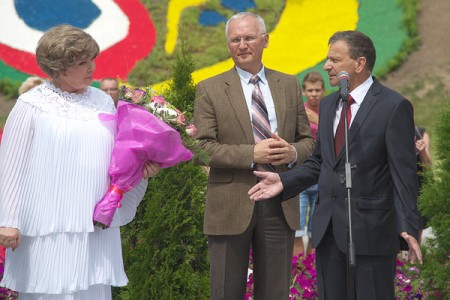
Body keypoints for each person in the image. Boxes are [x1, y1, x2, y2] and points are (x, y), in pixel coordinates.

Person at [249, 30, 423, 300]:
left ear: (359, 64)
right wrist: (285, 181)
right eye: (327, 59)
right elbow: (321, 162)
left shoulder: (394, 106)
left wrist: (409, 225)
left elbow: (404, 174)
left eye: (334, 59)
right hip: (328, 231)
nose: (326, 66)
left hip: (372, 232)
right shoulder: (330, 104)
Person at [0, 24, 160, 299]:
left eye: (92, 59)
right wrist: (8, 221)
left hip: (94, 226)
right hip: (47, 226)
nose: (92, 67)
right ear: (59, 68)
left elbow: (118, 157)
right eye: (82, 62)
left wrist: (141, 171)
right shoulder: (30, 105)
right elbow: (10, 167)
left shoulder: (103, 101)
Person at [193, 12, 315, 300]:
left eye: (249, 38)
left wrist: (293, 151)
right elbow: (200, 147)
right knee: (225, 291)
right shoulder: (209, 89)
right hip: (230, 203)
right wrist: (252, 153)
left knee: (275, 292)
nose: (242, 45)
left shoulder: (288, 85)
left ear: (265, 40)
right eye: (235, 39)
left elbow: (308, 141)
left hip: (279, 201)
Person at [294, 71, 325, 257]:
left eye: (318, 90)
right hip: (301, 175)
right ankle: (297, 274)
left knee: (316, 229)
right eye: (310, 90)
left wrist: (318, 121)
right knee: (297, 228)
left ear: (323, 91)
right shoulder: (300, 112)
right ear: (304, 91)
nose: (314, 94)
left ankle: (312, 276)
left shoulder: (330, 110)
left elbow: (339, 138)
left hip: (322, 176)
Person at [414, 126, 432, 244]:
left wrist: (422, 151)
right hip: (394, 184)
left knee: (417, 226)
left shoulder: (420, 133)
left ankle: (414, 261)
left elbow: (428, 167)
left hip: (416, 185)